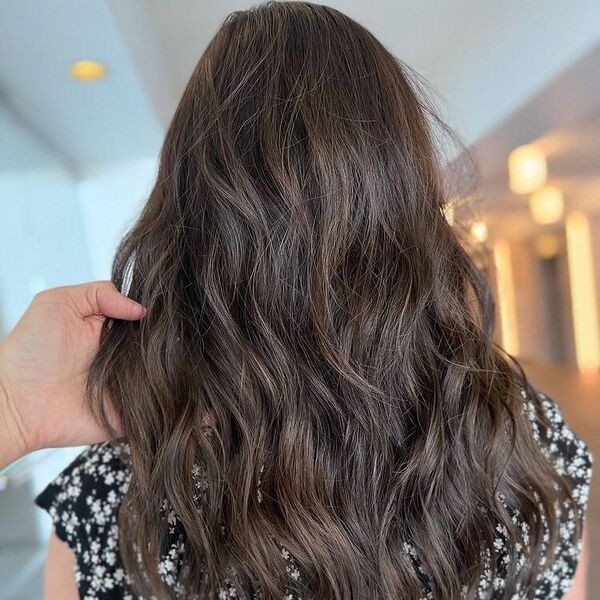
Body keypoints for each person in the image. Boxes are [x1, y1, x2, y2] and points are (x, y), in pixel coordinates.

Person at [0, 1, 592, 598]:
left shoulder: (122, 499)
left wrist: (11, 408)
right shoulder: (523, 451)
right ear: (404, 200)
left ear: (188, 225)